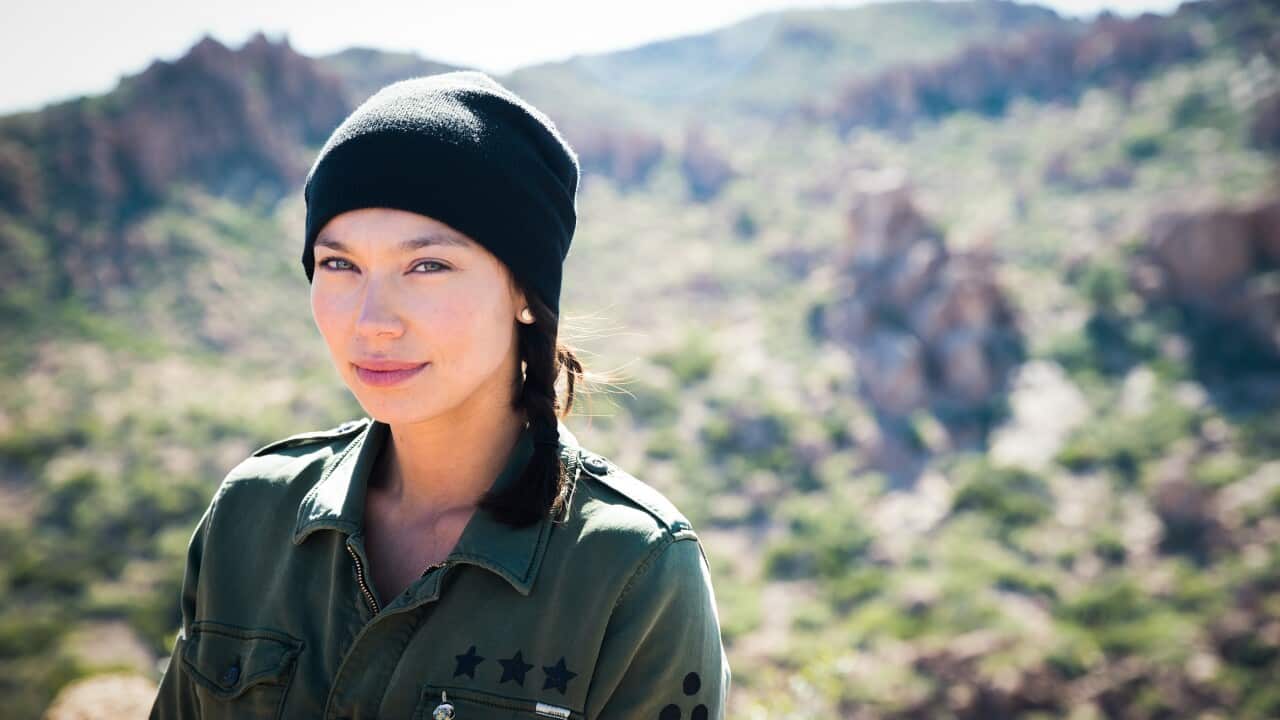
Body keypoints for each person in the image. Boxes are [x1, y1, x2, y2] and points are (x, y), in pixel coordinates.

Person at [149, 70, 730, 720]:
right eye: (340, 264)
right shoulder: (250, 514)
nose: (373, 321)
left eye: (427, 266)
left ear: (526, 293)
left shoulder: (635, 571)